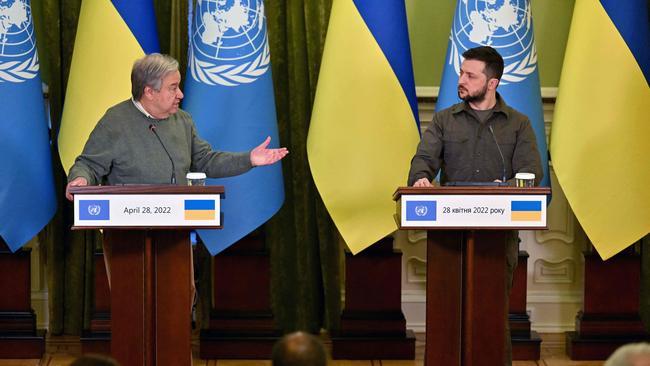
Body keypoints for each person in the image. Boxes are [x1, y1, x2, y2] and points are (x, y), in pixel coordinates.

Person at [64, 53, 288, 295]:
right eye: (173, 88)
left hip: (175, 232)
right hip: (126, 237)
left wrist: (249, 159)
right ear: (149, 91)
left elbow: (205, 160)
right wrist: (80, 179)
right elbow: (88, 164)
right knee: (132, 296)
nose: (180, 94)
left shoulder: (182, 121)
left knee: (179, 295)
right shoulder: (115, 121)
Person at [407, 46, 542, 366]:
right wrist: (420, 180)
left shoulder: (518, 124)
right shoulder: (444, 120)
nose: (462, 80)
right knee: (446, 309)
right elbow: (423, 160)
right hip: (447, 237)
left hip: (498, 237)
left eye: (470, 75)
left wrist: (503, 192)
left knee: (491, 310)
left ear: (492, 83)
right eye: (461, 73)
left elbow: (531, 175)